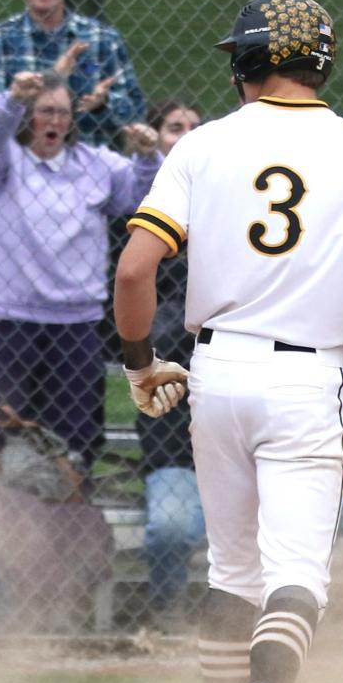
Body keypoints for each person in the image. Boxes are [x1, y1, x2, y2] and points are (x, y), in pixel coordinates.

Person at [113, 0, 343, 683]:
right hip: (307, 378)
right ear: (320, 62)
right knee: (297, 578)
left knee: (231, 575)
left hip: (216, 370)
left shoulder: (201, 145)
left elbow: (137, 272)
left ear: (249, 63)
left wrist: (142, 366)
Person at [0, 70, 160, 474]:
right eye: (45, 111)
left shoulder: (93, 164)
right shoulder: (4, 163)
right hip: (9, 319)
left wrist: (148, 158)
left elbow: (141, 197)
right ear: (29, 117)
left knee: (74, 436)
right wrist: (11, 100)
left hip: (76, 322)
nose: (55, 121)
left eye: (63, 113)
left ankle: (68, 516)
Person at [134, 99, 206, 630]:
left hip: (246, 426)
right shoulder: (149, 220)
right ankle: (167, 614)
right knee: (171, 526)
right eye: (174, 128)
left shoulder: (236, 211)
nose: (184, 137)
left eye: (193, 130)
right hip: (176, 442)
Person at [0, 0, 146, 145]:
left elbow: (136, 112)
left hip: (89, 166)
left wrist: (104, 104)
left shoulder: (102, 39)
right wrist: (54, 77)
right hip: (19, 167)